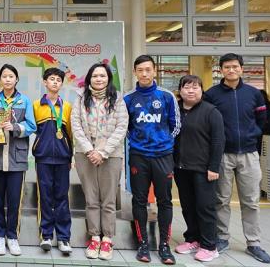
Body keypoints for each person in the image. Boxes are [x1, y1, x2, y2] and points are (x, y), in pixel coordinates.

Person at [204, 53, 270, 263]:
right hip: (222, 154)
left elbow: (262, 120)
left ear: (241, 69)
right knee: (221, 200)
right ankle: (222, 238)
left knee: (251, 201)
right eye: (227, 67)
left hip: (249, 154)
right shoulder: (211, 95)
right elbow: (207, 122)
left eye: (235, 66)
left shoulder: (254, 94)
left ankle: (253, 242)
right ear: (221, 70)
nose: (231, 70)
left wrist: (252, 135)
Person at [124, 55, 180, 265]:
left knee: (164, 200)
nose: (144, 74)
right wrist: (138, 143)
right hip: (138, 156)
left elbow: (176, 125)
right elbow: (126, 127)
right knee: (139, 200)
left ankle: (164, 245)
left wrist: (163, 143)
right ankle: (143, 244)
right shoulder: (128, 98)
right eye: (140, 70)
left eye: (148, 69)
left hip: (163, 156)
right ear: (135, 72)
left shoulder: (166, 96)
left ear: (154, 71)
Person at [72, 62, 127, 261]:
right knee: (91, 198)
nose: (99, 79)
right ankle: (94, 237)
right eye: (95, 76)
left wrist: (103, 152)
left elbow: (122, 127)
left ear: (108, 78)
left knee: (109, 199)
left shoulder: (118, 99)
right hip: (85, 154)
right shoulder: (80, 98)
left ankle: (107, 239)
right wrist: (89, 150)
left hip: (110, 155)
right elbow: (75, 125)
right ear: (89, 79)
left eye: (102, 76)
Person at [0, 64, 36, 256]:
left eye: (11, 76)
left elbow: (31, 126)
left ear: (16, 79)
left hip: (17, 159)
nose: (7, 79)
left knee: (15, 201)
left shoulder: (24, 101)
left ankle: (12, 236)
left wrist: (14, 127)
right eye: (4, 76)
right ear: (0, 79)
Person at [173, 75, 225, 262]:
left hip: (204, 169)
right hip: (181, 168)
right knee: (188, 206)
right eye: (186, 87)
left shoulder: (211, 111)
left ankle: (209, 245)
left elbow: (218, 141)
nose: (191, 91)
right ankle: (192, 239)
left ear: (202, 90)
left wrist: (214, 167)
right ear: (180, 90)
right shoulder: (175, 110)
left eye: (195, 87)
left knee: (205, 207)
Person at [32, 68, 73, 255]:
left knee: (62, 197)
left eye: (58, 80)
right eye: (51, 79)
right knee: (45, 196)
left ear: (62, 84)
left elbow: (70, 134)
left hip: (63, 158)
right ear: (45, 82)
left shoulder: (67, 107)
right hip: (43, 158)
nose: (55, 82)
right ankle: (46, 235)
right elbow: (32, 128)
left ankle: (64, 238)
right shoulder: (36, 105)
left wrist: (71, 156)